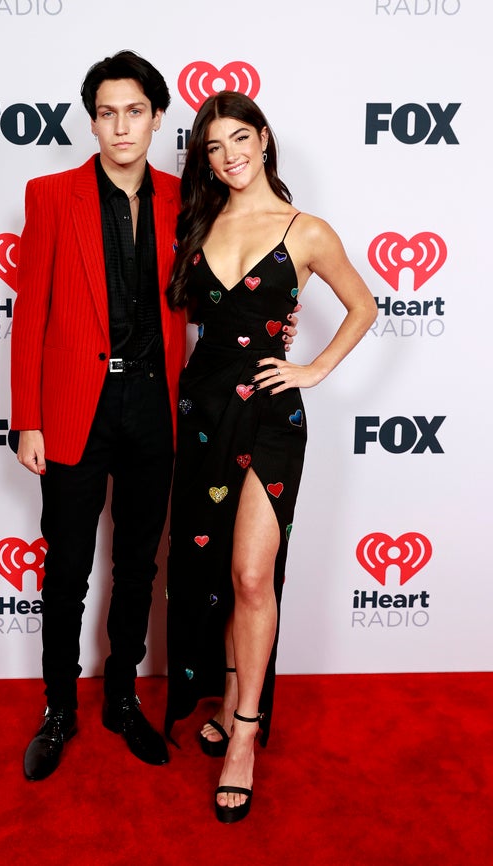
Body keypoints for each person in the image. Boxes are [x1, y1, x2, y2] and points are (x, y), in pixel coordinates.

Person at [164, 91, 377, 822]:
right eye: (214, 147)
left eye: (239, 139)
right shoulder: (196, 224)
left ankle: (244, 736)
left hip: (271, 416)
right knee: (215, 570)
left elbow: (364, 305)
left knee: (254, 573)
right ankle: (227, 700)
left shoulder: (306, 229)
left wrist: (312, 370)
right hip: (200, 414)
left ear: (264, 139)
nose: (229, 156)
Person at [10, 51, 187, 780]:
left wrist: (280, 318)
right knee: (69, 567)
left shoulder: (187, 198)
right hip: (76, 407)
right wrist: (29, 418)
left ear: (155, 116)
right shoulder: (52, 195)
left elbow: (221, 286)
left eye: (135, 110)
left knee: (139, 564)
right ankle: (59, 708)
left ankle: (120, 697)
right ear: (92, 119)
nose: (121, 125)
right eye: (107, 112)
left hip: (154, 401)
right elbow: (30, 316)